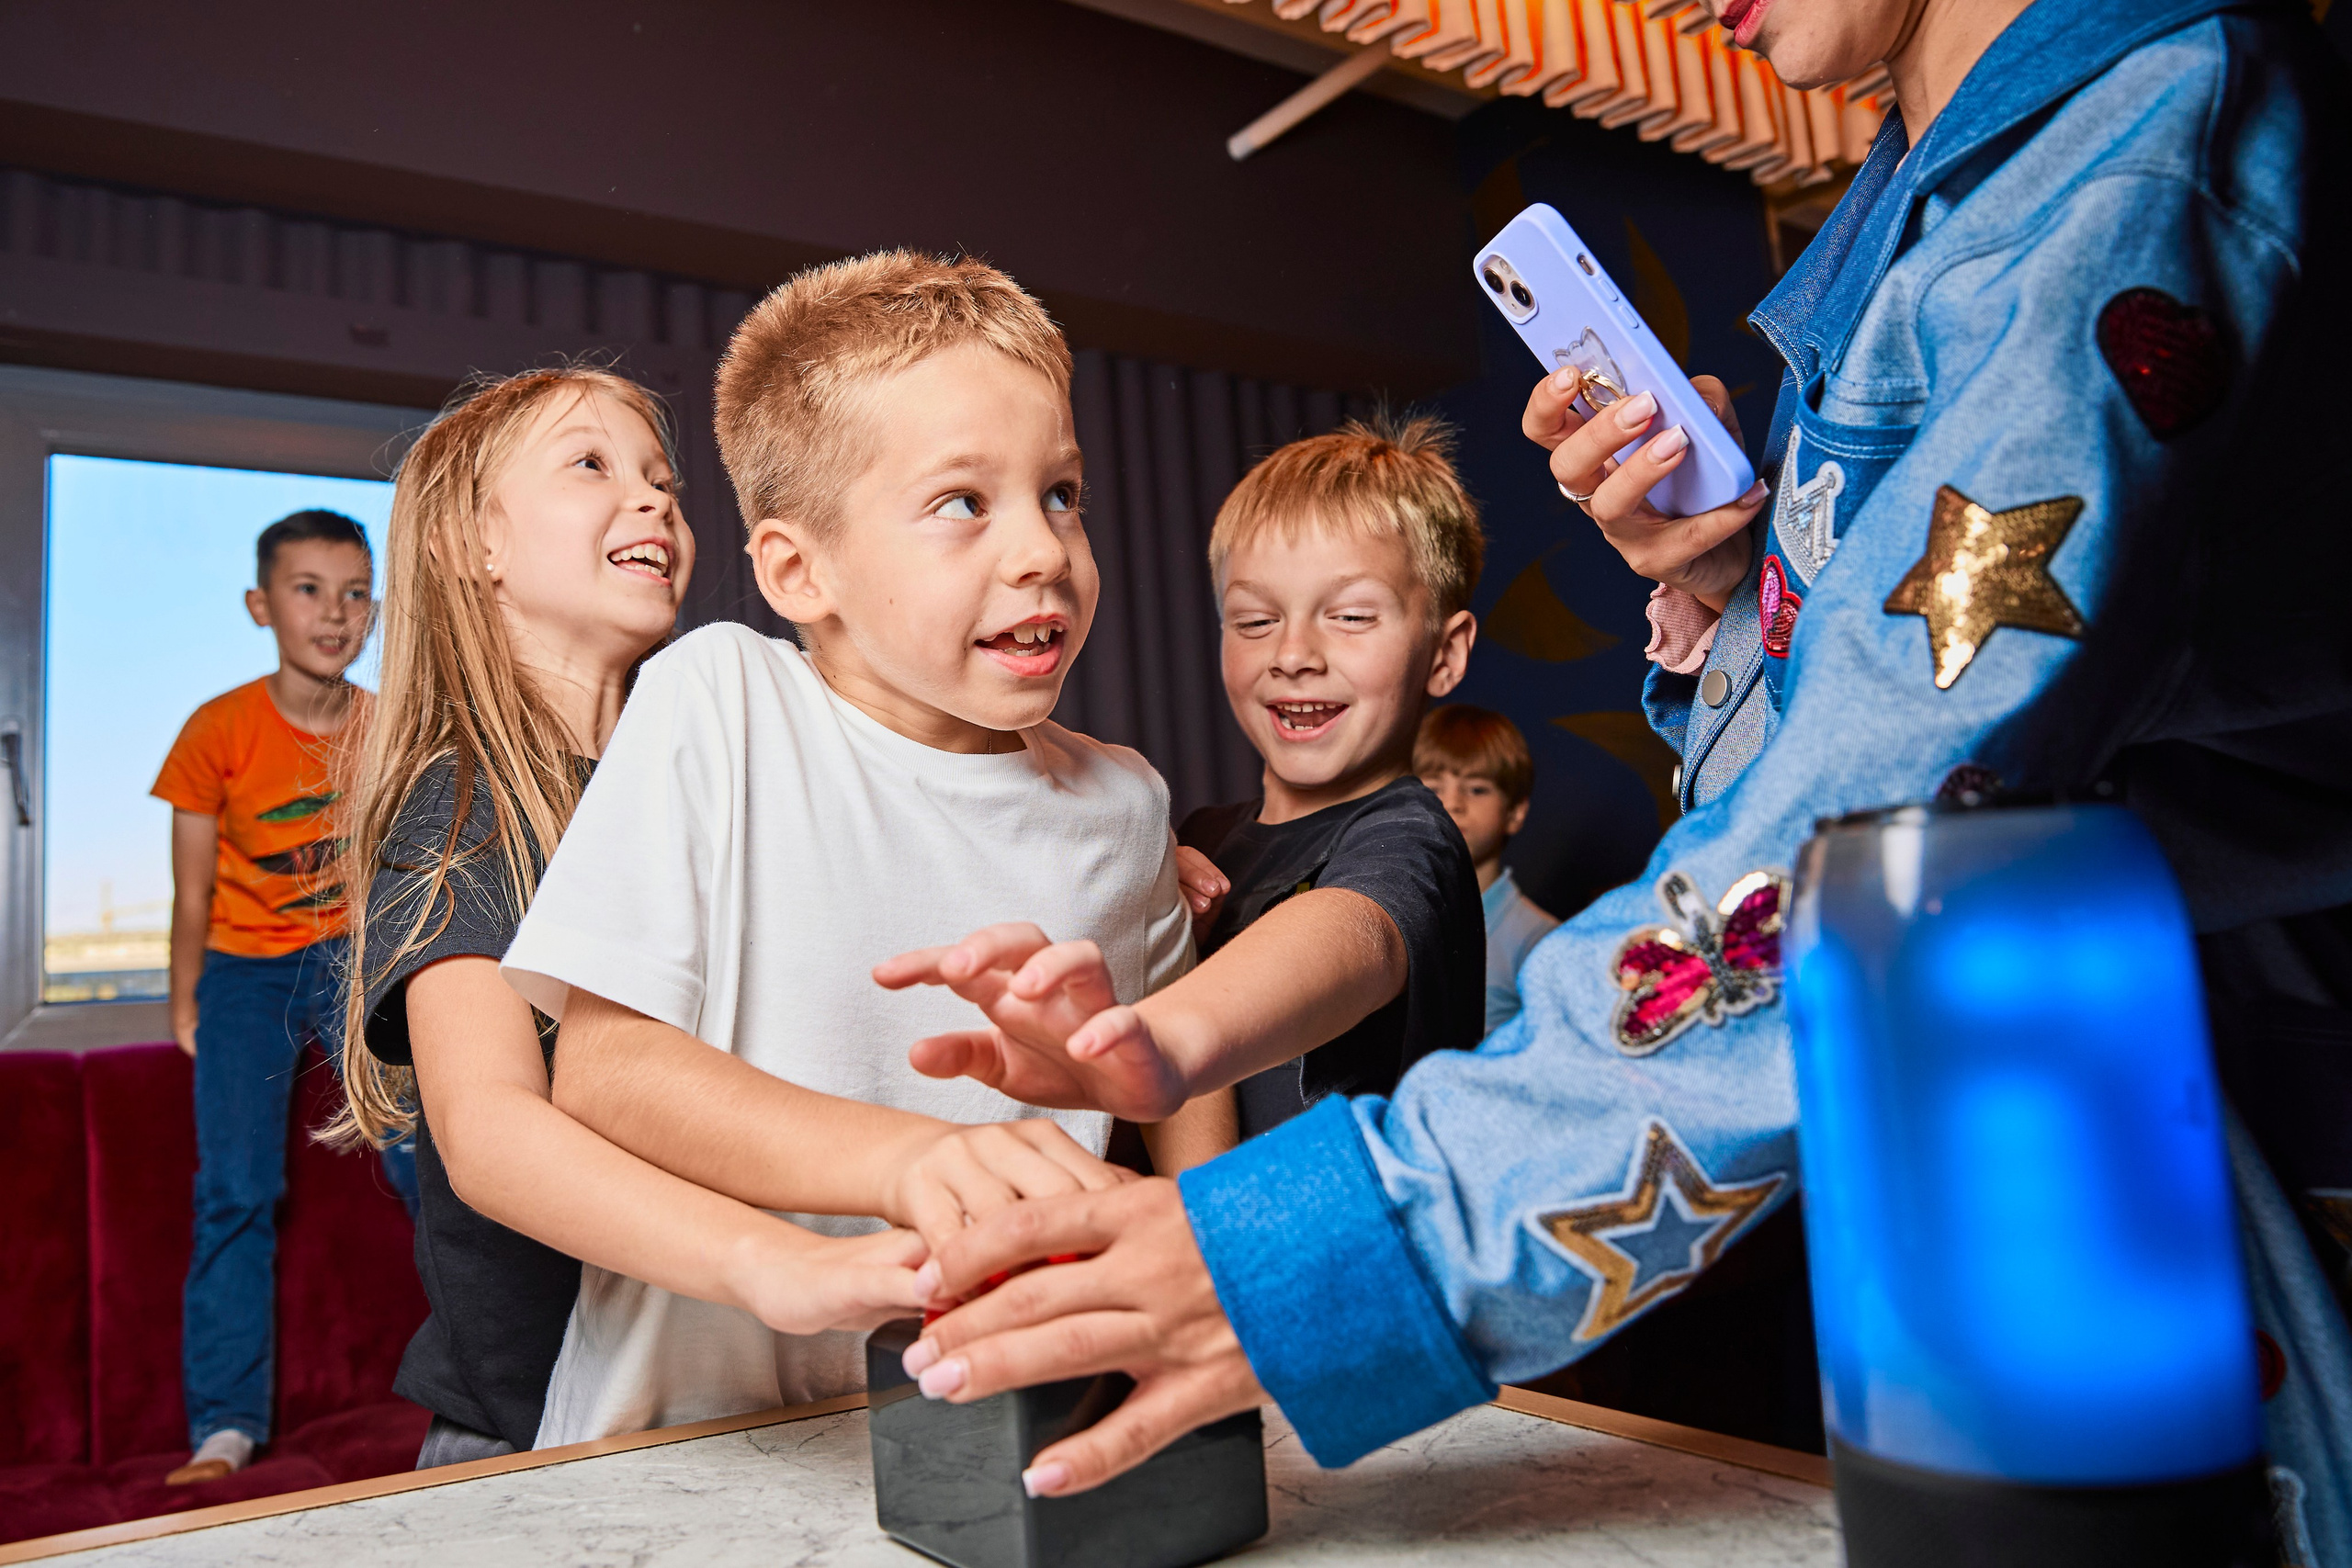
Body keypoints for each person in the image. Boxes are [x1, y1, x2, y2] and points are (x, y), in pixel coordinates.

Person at [886, 0, 2352, 1550]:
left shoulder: (2135, 155)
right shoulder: (1933, 220)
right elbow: (1875, 760)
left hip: (2188, 1162)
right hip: (2014, 1176)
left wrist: (1341, 1245)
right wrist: (1732, 593)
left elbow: (1890, 830)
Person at [494, 250, 1221, 1448]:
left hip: (986, 1432)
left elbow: (1171, 1050)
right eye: (961, 502)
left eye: (1061, 493)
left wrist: (1196, 1246)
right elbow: (606, 1073)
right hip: (688, 1443)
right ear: (798, 569)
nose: (1042, 549)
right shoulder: (717, 700)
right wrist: (912, 1160)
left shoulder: (1126, 802)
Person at [334, 365, 949, 1468]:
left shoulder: (727, 777)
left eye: (662, 478)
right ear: (473, 546)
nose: (656, 498)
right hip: (536, 1441)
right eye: (591, 466)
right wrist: (780, 1263)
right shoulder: (461, 813)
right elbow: (490, 1135)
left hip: (740, 1410)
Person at [877, 416, 1487, 1146]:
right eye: (1255, 620)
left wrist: (1159, 1035)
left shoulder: (1411, 836)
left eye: (1351, 616)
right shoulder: (1200, 838)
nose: (1293, 654)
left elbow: (1357, 935)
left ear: (1445, 654)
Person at [152, 508, 401, 1485]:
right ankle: (224, 1424)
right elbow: (190, 888)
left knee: (437, 1154)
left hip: (351, 960)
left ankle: (512, 1382)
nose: (333, 613)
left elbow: (398, 873)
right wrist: (188, 1001)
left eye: (353, 593)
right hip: (246, 969)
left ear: (374, 609)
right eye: (309, 590)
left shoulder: (388, 724)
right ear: (263, 606)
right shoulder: (217, 730)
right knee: (237, 1191)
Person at [1414, 705, 1558, 1035]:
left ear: (1515, 812)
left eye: (1477, 789)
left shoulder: (1538, 941)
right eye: (1434, 788)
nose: (1452, 804)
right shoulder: (1390, 919)